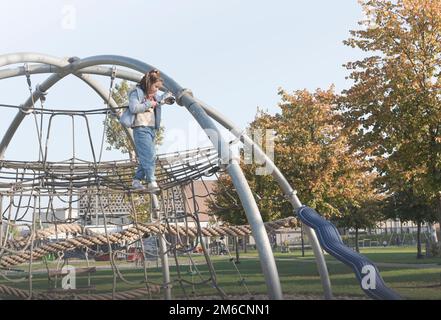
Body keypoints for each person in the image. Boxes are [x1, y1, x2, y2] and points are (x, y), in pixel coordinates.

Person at [129, 69, 175, 192]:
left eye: (158, 88)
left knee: (149, 156)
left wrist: (167, 95)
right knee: (149, 155)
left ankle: (136, 181)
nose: (156, 90)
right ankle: (151, 181)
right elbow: (134, 108)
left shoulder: (153, 95)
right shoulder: (137, 93)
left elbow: (159, 100)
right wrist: (150, 103)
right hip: (140, 128)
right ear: (149, 84)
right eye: (155, 86)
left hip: (151, 129)